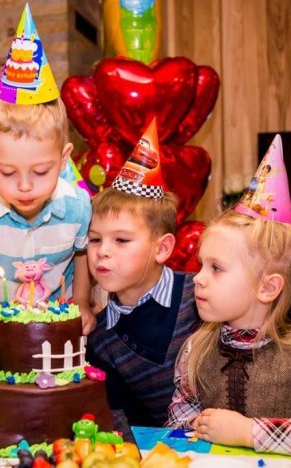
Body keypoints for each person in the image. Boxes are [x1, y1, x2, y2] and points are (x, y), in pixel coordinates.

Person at [167, 135, 291, 460]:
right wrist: (196, 427)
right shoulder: (195, 349)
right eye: (201, 265)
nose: (198, 278)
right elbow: (177, 428)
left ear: (268, 288)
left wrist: (248, 432)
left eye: (216, 268)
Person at [0, 5, 93, 350]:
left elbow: (82, 252)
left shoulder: (78, 207)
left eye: (41, 172)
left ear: (64, 158)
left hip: (59, 331)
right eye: (7, 172)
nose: (25, 186)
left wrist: (82, 301)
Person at [85, 118, 200, 427]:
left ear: (162, 248)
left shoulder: (200, 297)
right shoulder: (99, 338)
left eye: (121, 240)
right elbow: (123, 423)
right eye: (94, 239)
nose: (102, 251)